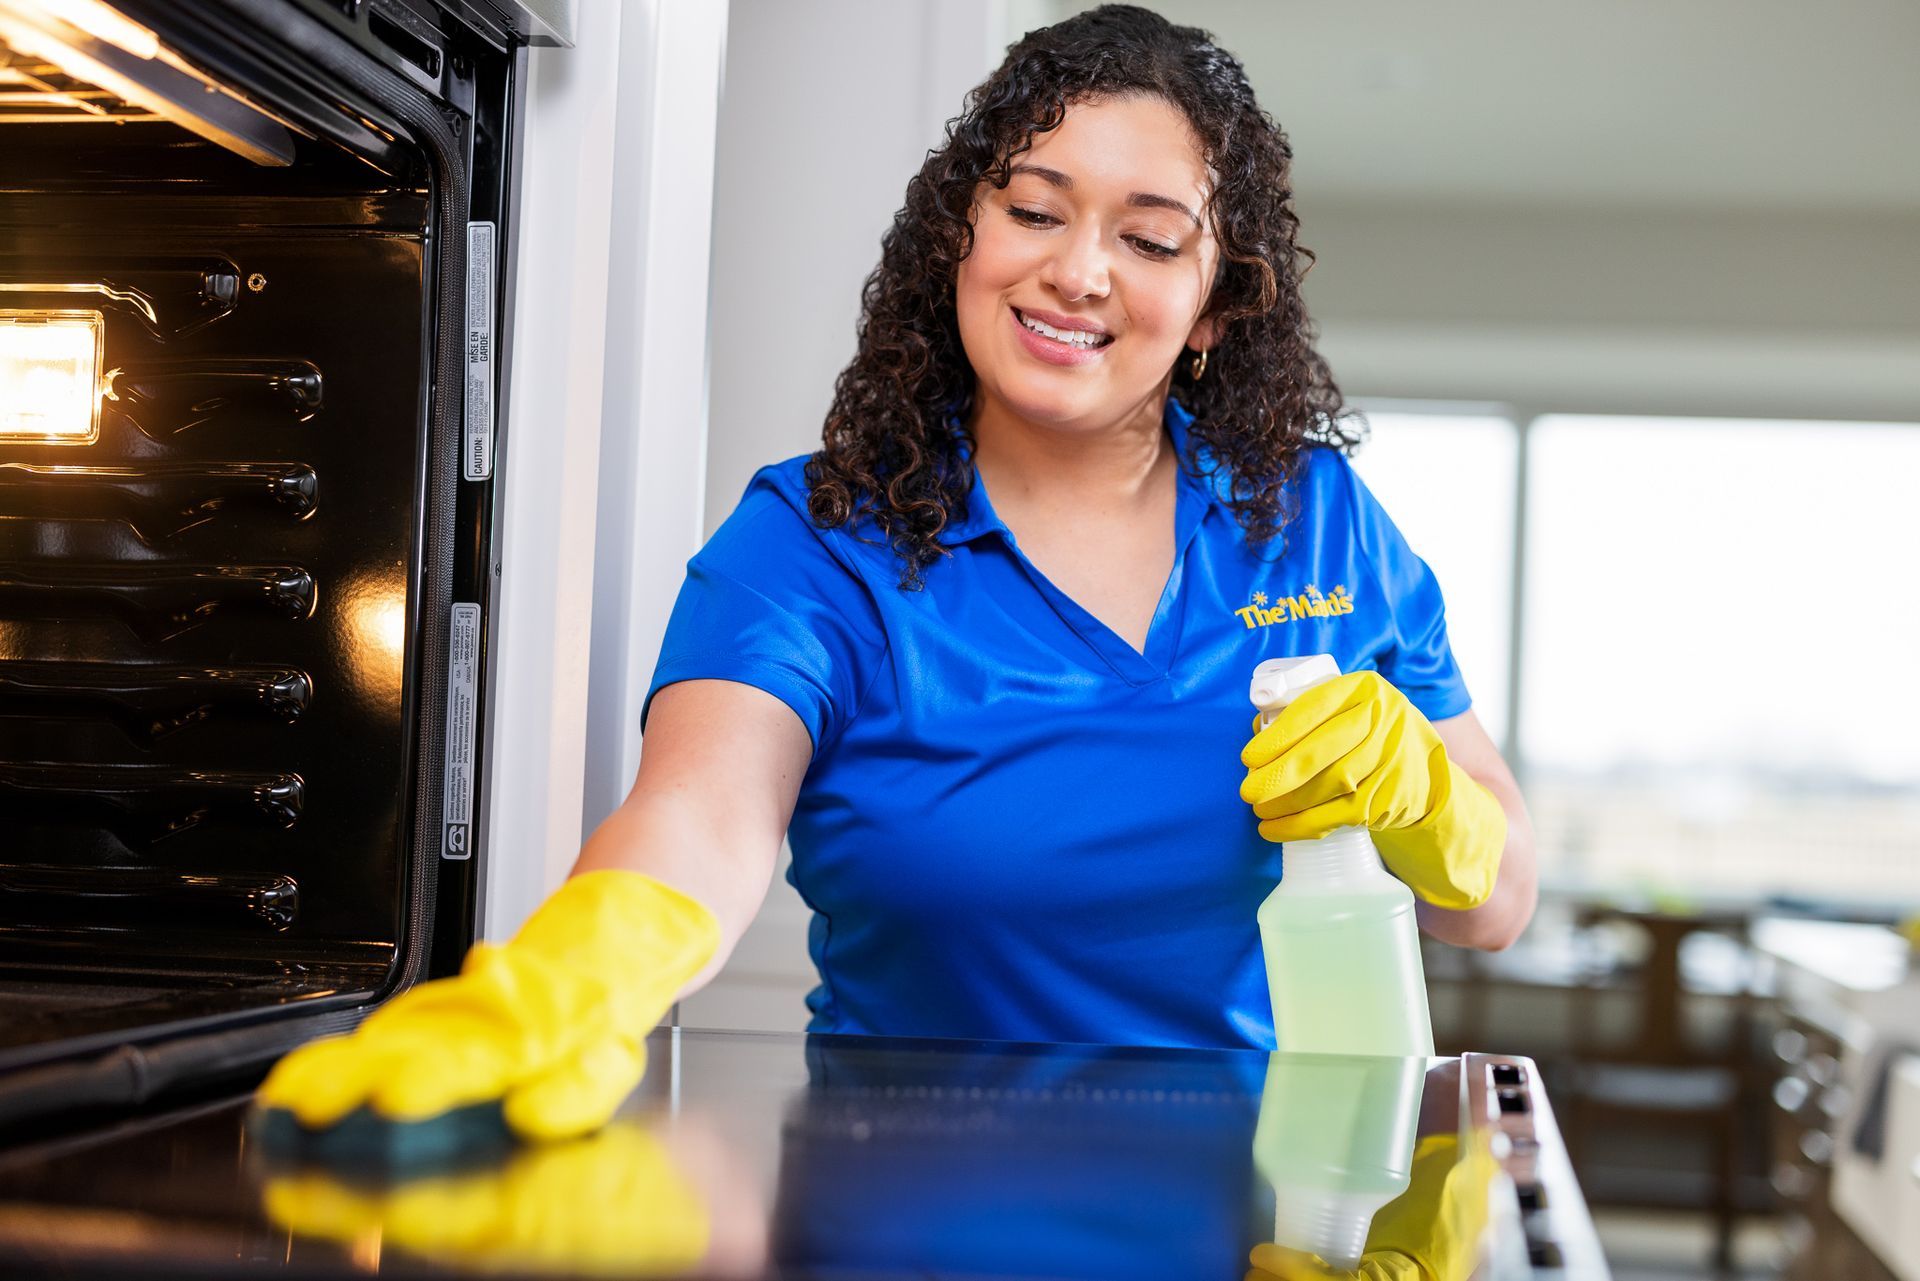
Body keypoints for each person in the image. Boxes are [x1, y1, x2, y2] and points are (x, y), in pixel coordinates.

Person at [258, 4, 1536, 1143]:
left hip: (1266, 1206)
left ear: (1211, 308)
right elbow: (705, 815)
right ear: (958, 239)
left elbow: (1498, 905)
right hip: (897, 1195)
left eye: (1150, 242)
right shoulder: (815, 537)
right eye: (1034, 210)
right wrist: (573, 982)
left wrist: (1430, 798)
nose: (1078, 271)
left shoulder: (1317, 522)